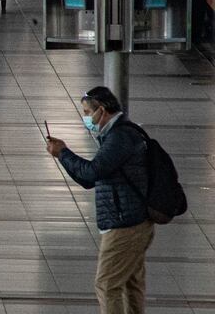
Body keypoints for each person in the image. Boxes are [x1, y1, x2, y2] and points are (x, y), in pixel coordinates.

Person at [45, 87, 153, 314]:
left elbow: (92, 172)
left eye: (87, 112)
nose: (86, 118)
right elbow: (90, 179)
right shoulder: (119, 135)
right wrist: (63, 156)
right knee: (131, 284)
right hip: (133, 220)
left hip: (124, 225)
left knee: (107, 284)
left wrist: (63, 153)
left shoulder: (119, 138)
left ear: (101, 111)